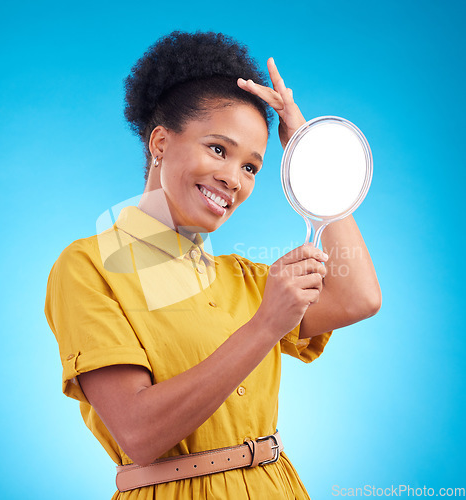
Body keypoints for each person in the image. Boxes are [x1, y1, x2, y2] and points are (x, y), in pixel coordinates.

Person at [44, 31, 381, 499]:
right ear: (160, 143)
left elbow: (359, 297)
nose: (233, 179)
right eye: (219, 149)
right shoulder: (88, 268)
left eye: (251, 167)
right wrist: (265, 325)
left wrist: (301, 141)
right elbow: (140, 434)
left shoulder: (242, 277)